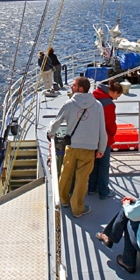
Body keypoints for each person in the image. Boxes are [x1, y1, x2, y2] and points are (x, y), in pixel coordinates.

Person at [47, 76, 107, 217]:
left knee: (66, 172)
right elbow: (102, 130)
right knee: (82, 179)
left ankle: (64, 199)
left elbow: (56, 123)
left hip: (72, 146)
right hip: (89, 149)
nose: (71, 87)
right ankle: (77, 208)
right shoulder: (97, 105)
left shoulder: (69, 104)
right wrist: (101, 149)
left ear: (80, 88)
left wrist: (50, 133)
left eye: (73, 85)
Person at [88, 80, 124, 199]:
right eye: (117, 95)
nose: (117, 99)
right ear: (113, 92)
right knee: (103, 165)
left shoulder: (93, 97)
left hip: (91, 137)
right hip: (104, 139)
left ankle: (91, 188)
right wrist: (112, 134)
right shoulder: (108, 104)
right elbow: (110, 124)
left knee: (93, 165)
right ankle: (103, 191)